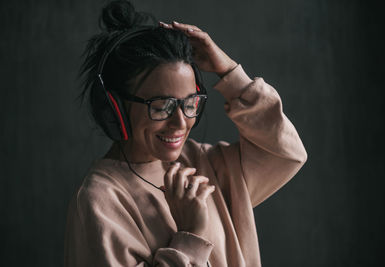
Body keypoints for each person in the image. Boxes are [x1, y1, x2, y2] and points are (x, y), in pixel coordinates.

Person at [64, 0, 307, 266]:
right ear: (115, 108)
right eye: (162, 106)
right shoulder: (99, 201)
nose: (180, 122)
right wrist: (191, 236)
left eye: (190, 103)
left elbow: (286, 153)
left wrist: (230, 73)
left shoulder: (207, 165)